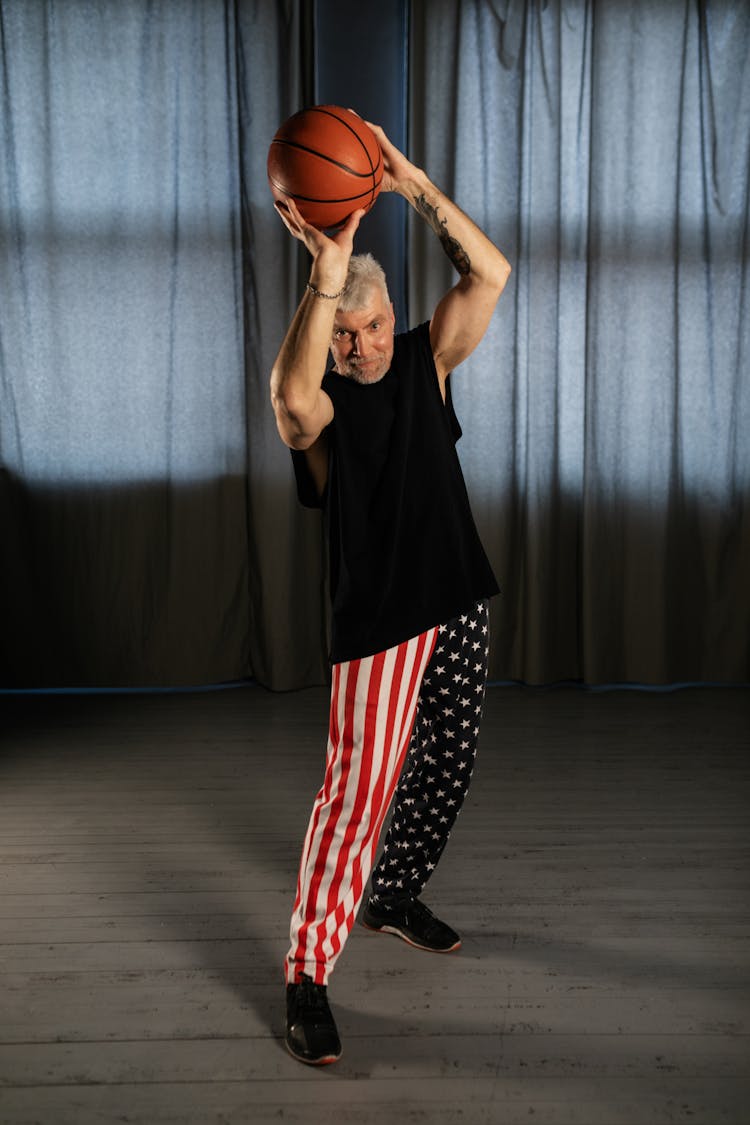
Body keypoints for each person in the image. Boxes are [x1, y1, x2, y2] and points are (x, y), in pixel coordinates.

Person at [269, 119, 511, 1066]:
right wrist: (325, 276)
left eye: (372, 326)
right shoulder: (324, 407)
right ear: (329, 337)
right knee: (353, 798)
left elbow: (489, 274)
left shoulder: (425, 362)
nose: (362, 346)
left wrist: (408, 183)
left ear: (392, 317)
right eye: (345, 334)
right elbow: (290, 407)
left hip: (457, 598)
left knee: (449, 763)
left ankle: (393, 892)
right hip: (379, 628)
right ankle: (305, 973)